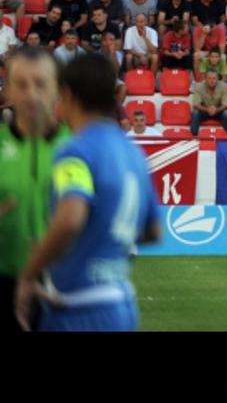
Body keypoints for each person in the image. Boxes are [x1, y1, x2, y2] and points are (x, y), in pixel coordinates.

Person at [15, 53, 161, 331]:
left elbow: (70, 219)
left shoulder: (75, 151)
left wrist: (29, 274)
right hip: (122, 304)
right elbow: (153, 231)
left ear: (66, 94)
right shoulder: (133, 152)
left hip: (78, 307)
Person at [0, 48, 67, 331]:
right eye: (21, 84)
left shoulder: (78, 146)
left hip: (62, 289)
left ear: (57, 89)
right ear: (8, 91)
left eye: (40, 83)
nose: (31, 94)